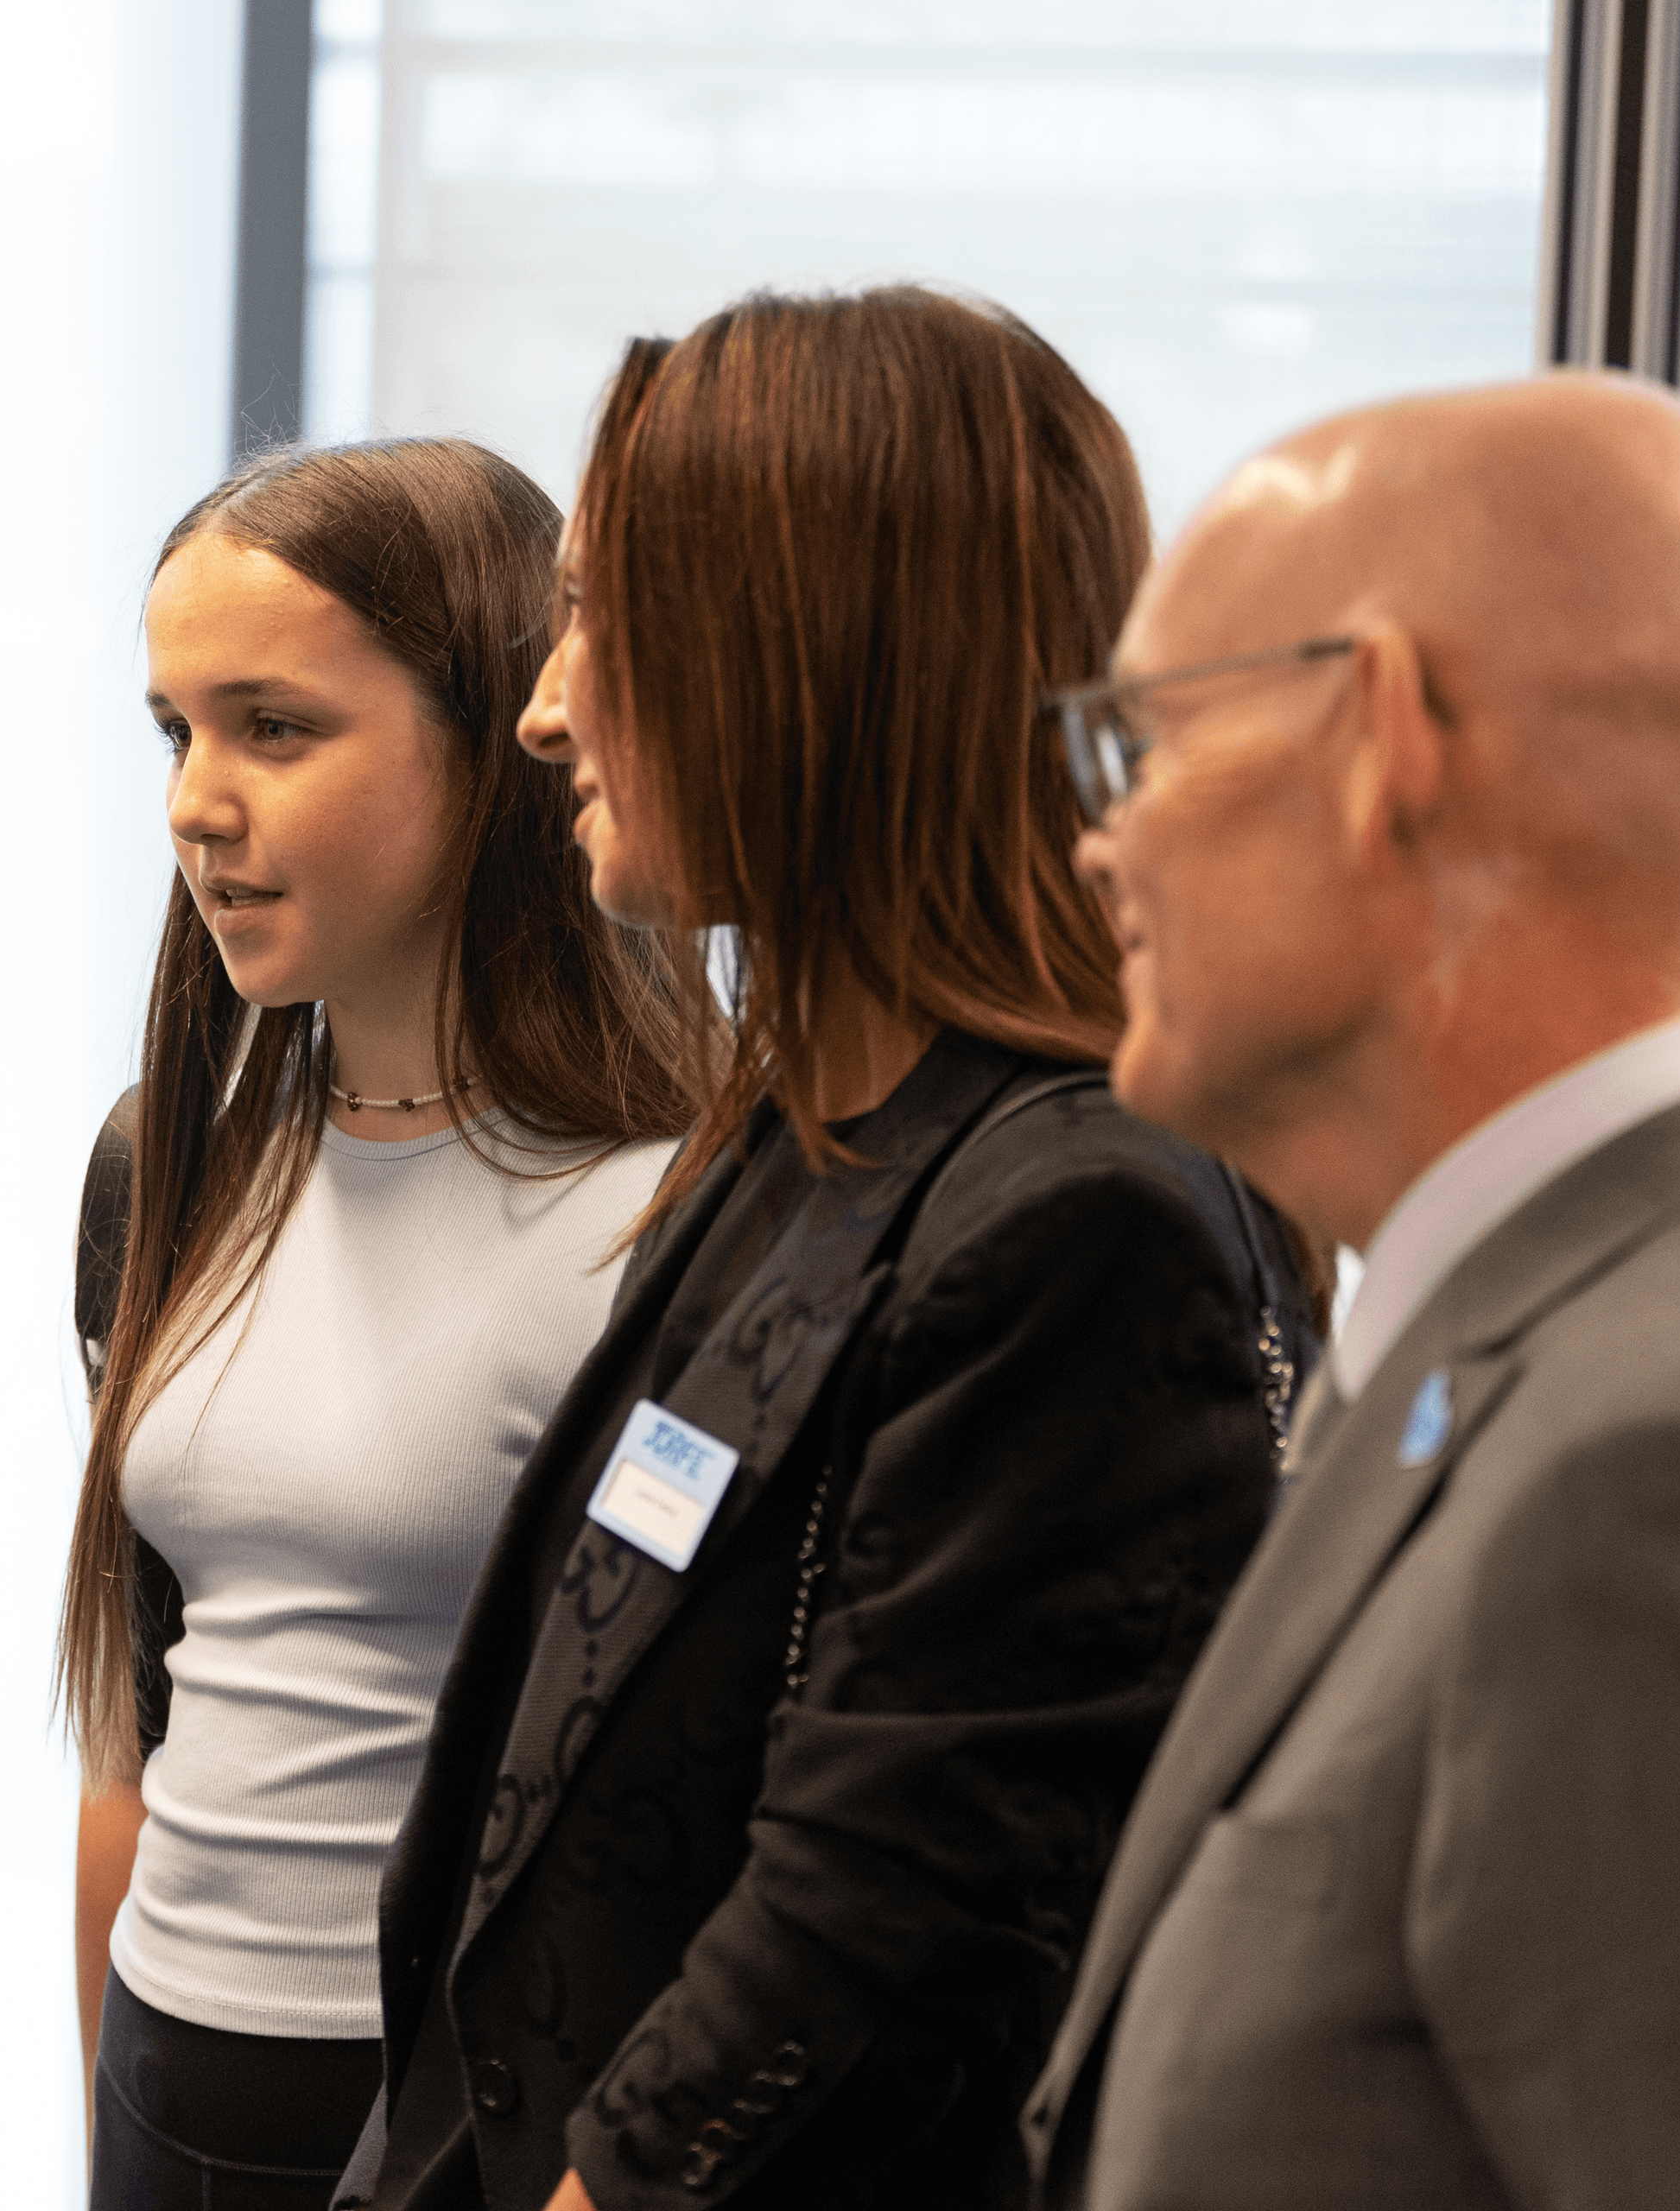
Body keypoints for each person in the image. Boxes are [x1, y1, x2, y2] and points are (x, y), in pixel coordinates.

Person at [340, 288, 1308, 2211]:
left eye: (604, 617)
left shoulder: (1086, 1211)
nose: (546, 706)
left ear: (807, 655)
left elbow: (890, 1912)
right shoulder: (799, 1135)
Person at [1022, 377, 1680, 2208]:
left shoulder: (1658, 1461)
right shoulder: (1512, 1336)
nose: (1096, 840)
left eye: (1145, 741)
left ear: (1379, 731)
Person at [65, 439, 696, 2208]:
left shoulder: (673, 1207)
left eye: (275, 726)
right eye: (174, 729)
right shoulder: (170, 1161)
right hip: (166, 2065)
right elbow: (142, 1708)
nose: (198, 798)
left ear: (501, 736)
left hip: (468, 2104)